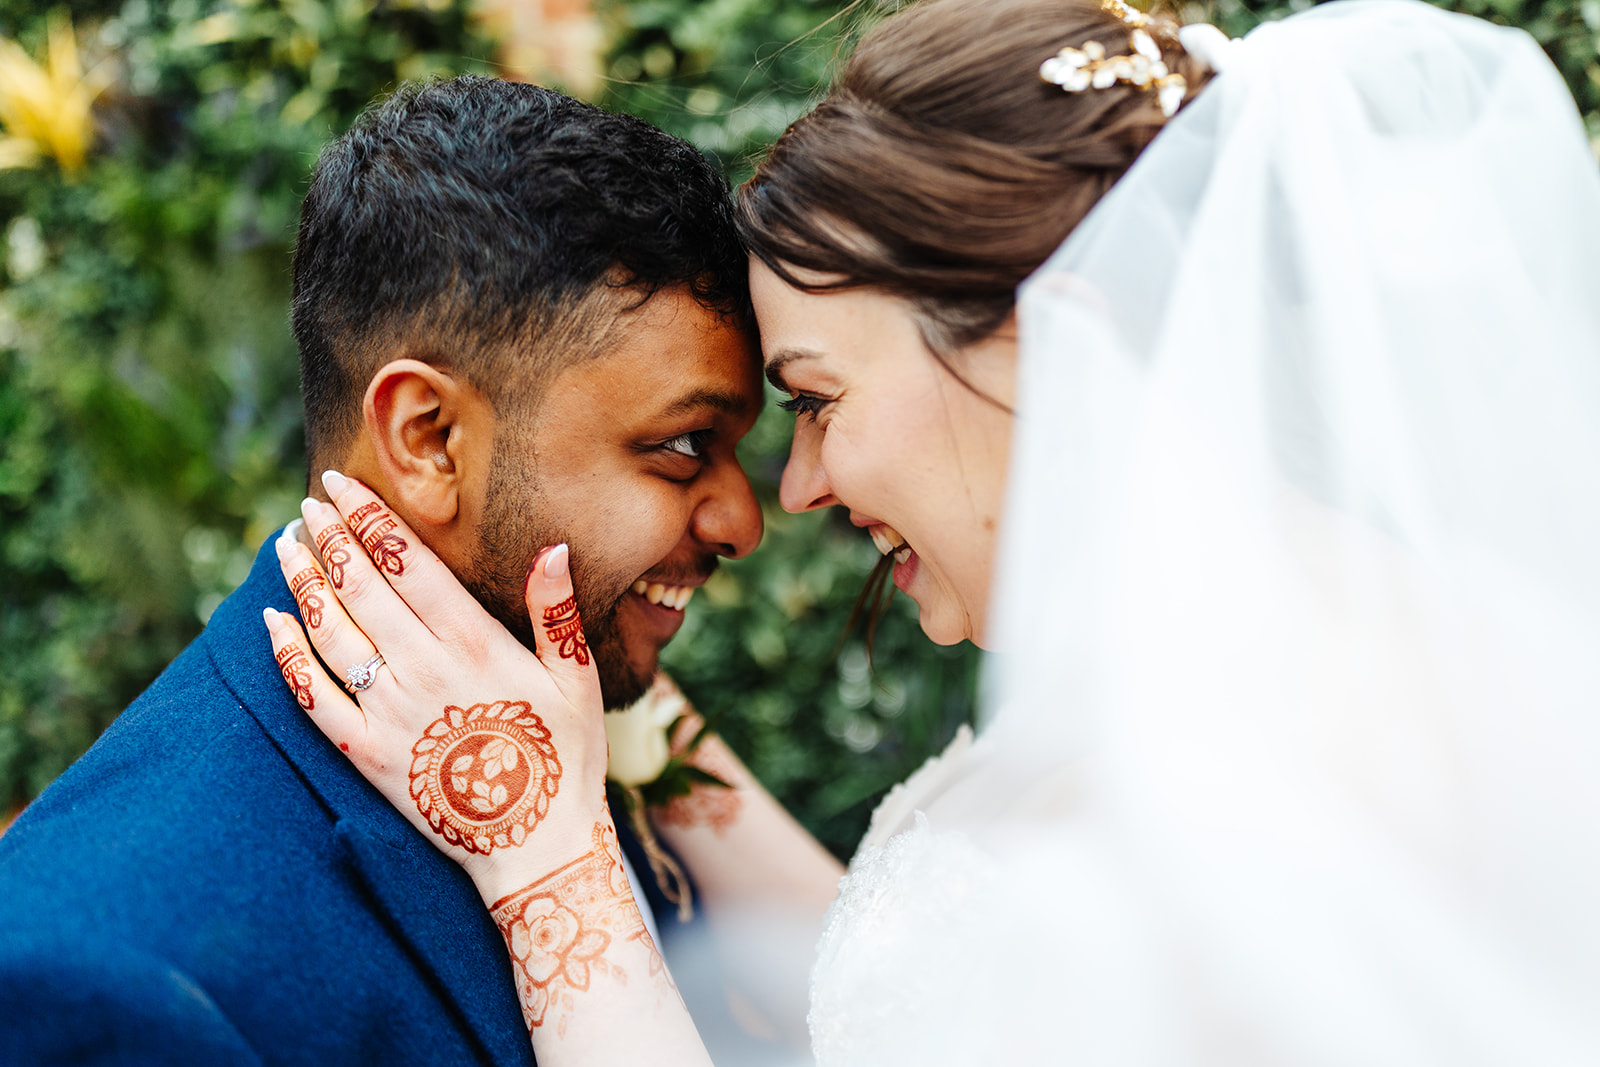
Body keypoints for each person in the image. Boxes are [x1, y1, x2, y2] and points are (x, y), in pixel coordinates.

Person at [268, 0, 1600, 1062]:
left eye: (819, 400)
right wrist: (629, 706)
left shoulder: (1267, 780)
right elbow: (933, 991)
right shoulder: (1315, 649)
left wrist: (552, 869)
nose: (794, 489)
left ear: (1046, 339)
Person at [0, 76, 840, 1065]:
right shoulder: (103, 973)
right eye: (685, 443)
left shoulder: (567, 697)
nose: (745, 518)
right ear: (431, 437)